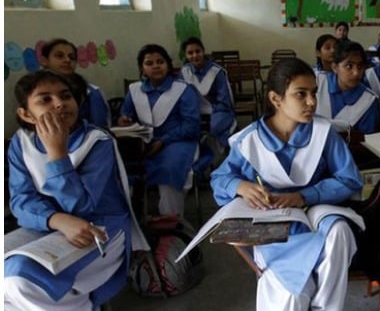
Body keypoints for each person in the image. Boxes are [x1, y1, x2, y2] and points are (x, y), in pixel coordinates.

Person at [210, 58, 363, 311]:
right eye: (301, 94)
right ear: (276, 99)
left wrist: (306, 196)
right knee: (290, 290)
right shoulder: (249, 140)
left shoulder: (323, 133)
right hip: (275, 220)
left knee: (339, 233)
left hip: (315, 207)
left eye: (314, 93)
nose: (311, 102)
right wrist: (239, 185)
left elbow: (350, 181)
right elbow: (218, 178)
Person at [5, 70, 148, 311]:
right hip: (48, 228)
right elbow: (20, 201)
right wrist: (56, 219)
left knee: (19, 278)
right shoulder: (21, 144)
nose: (59, 104)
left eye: (66, 96)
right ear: (25, 114)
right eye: (45, 99)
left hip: (102, 231)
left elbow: (84, 207)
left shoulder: (97, 141)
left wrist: (58, 154)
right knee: (11, 275)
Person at [117, 44, 200, 219]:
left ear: (168, 65)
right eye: (149, 63)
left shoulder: (184, 90)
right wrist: (124, 120)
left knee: (168, 169)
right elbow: (126, 114)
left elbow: (191, 126)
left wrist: (164, 141)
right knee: (119, 167)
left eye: (160, 62)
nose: (155, 66)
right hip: (145, 142)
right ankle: (134, 220)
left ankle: (172, 221)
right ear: (142, 68)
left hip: (178, 141)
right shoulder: (134, 91)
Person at [39, 38, 111, 129]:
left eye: (71, 57)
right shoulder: (32, 92)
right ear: (44, 60)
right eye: (59, 56)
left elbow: (101, 130)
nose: (67, 60)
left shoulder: (91, 93)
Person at [179, 36, 236, 148]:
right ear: (186, 55)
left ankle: (218, 152)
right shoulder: (184, 72)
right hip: (193, 111)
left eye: (197, 51)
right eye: (190, 53)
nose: (194, 55)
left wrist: (214, 110)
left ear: (203, 51)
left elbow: (224, 100)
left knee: (215, 127)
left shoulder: (216, 72)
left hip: (217, 109)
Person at [315, 41, 380, 134]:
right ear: (335, 67)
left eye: (360, 66)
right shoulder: (317, 83)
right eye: (349, 66)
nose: (356, 73)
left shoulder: (369, 100)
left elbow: (366, 142)